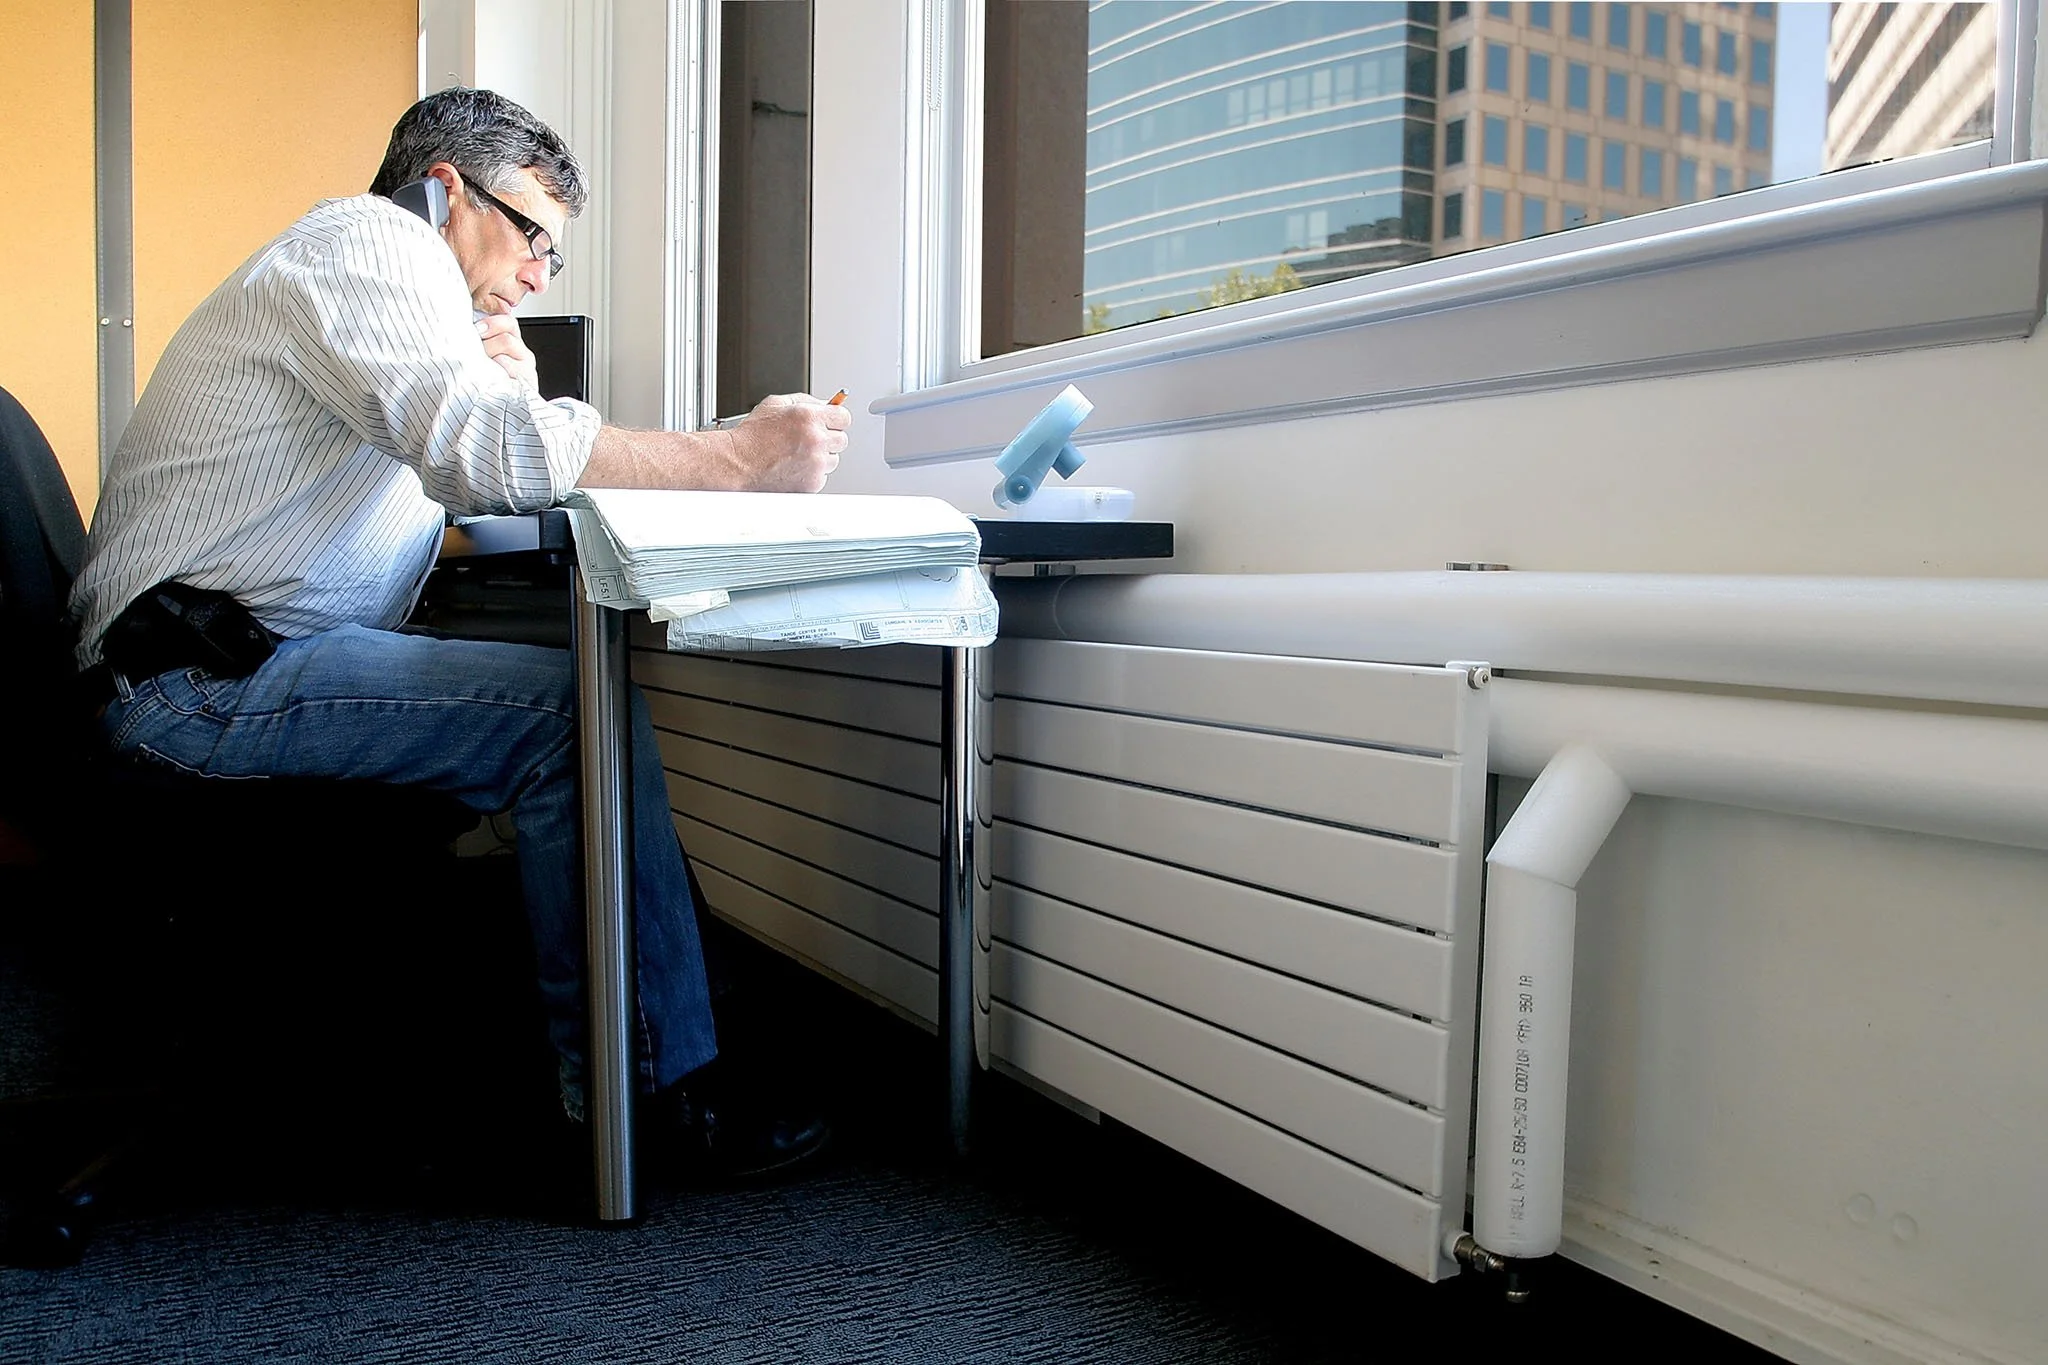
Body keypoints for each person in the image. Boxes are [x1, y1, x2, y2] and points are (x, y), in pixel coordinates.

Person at [67, 88, 849, 1182]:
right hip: (196, 691)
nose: (535, 272)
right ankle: (655, 1097)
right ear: (442, 190)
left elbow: (453, 485)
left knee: (563, 701)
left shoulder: (375, 296)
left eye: (550, 259)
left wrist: (502, 378)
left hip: (212, 666)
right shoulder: (368, 241)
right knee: (565, 718)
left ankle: (659, 1051)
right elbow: (477, 450)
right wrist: (735, 456)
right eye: (530, 233)